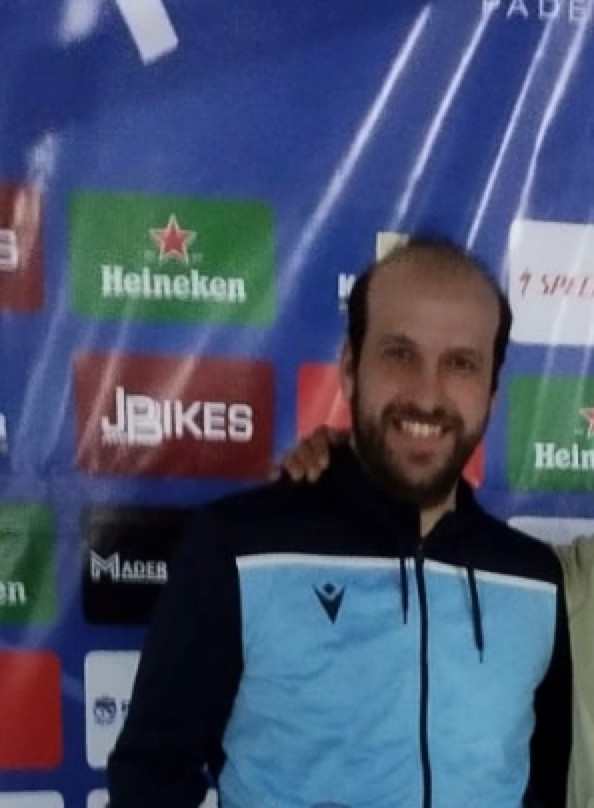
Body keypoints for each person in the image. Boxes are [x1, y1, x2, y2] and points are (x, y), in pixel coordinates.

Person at [107, 238, 571, 808]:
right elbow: (150, 780)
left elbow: (542, 787)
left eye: (461, 364)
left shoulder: (534, 579)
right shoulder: (240, 546)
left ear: (492, 393)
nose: (427, 394)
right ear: (351, 370)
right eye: (399, 353)